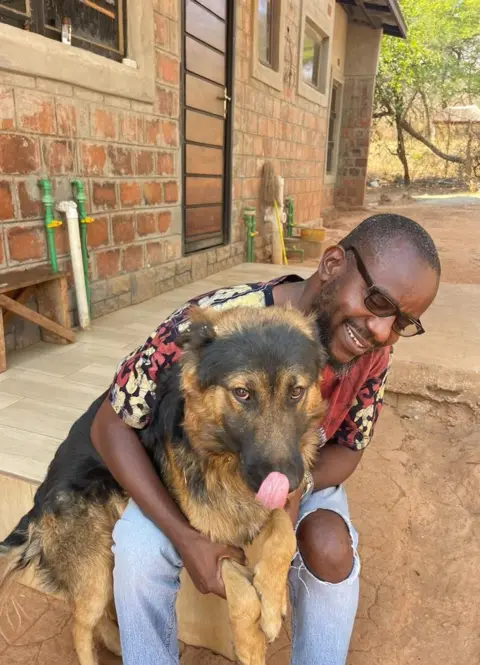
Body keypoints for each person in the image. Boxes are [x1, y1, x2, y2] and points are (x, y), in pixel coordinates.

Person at [90, 213, 440, 665]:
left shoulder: (372, 350)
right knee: (139, 551)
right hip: (202, 472)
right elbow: (110, 424)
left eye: (402, 321)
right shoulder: (215, 327)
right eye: (376, 300)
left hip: (300, 470)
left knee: (332, 546)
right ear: (333, 263)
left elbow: (351, 447)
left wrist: (293, 494)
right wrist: (187, 539)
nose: (380, 329)